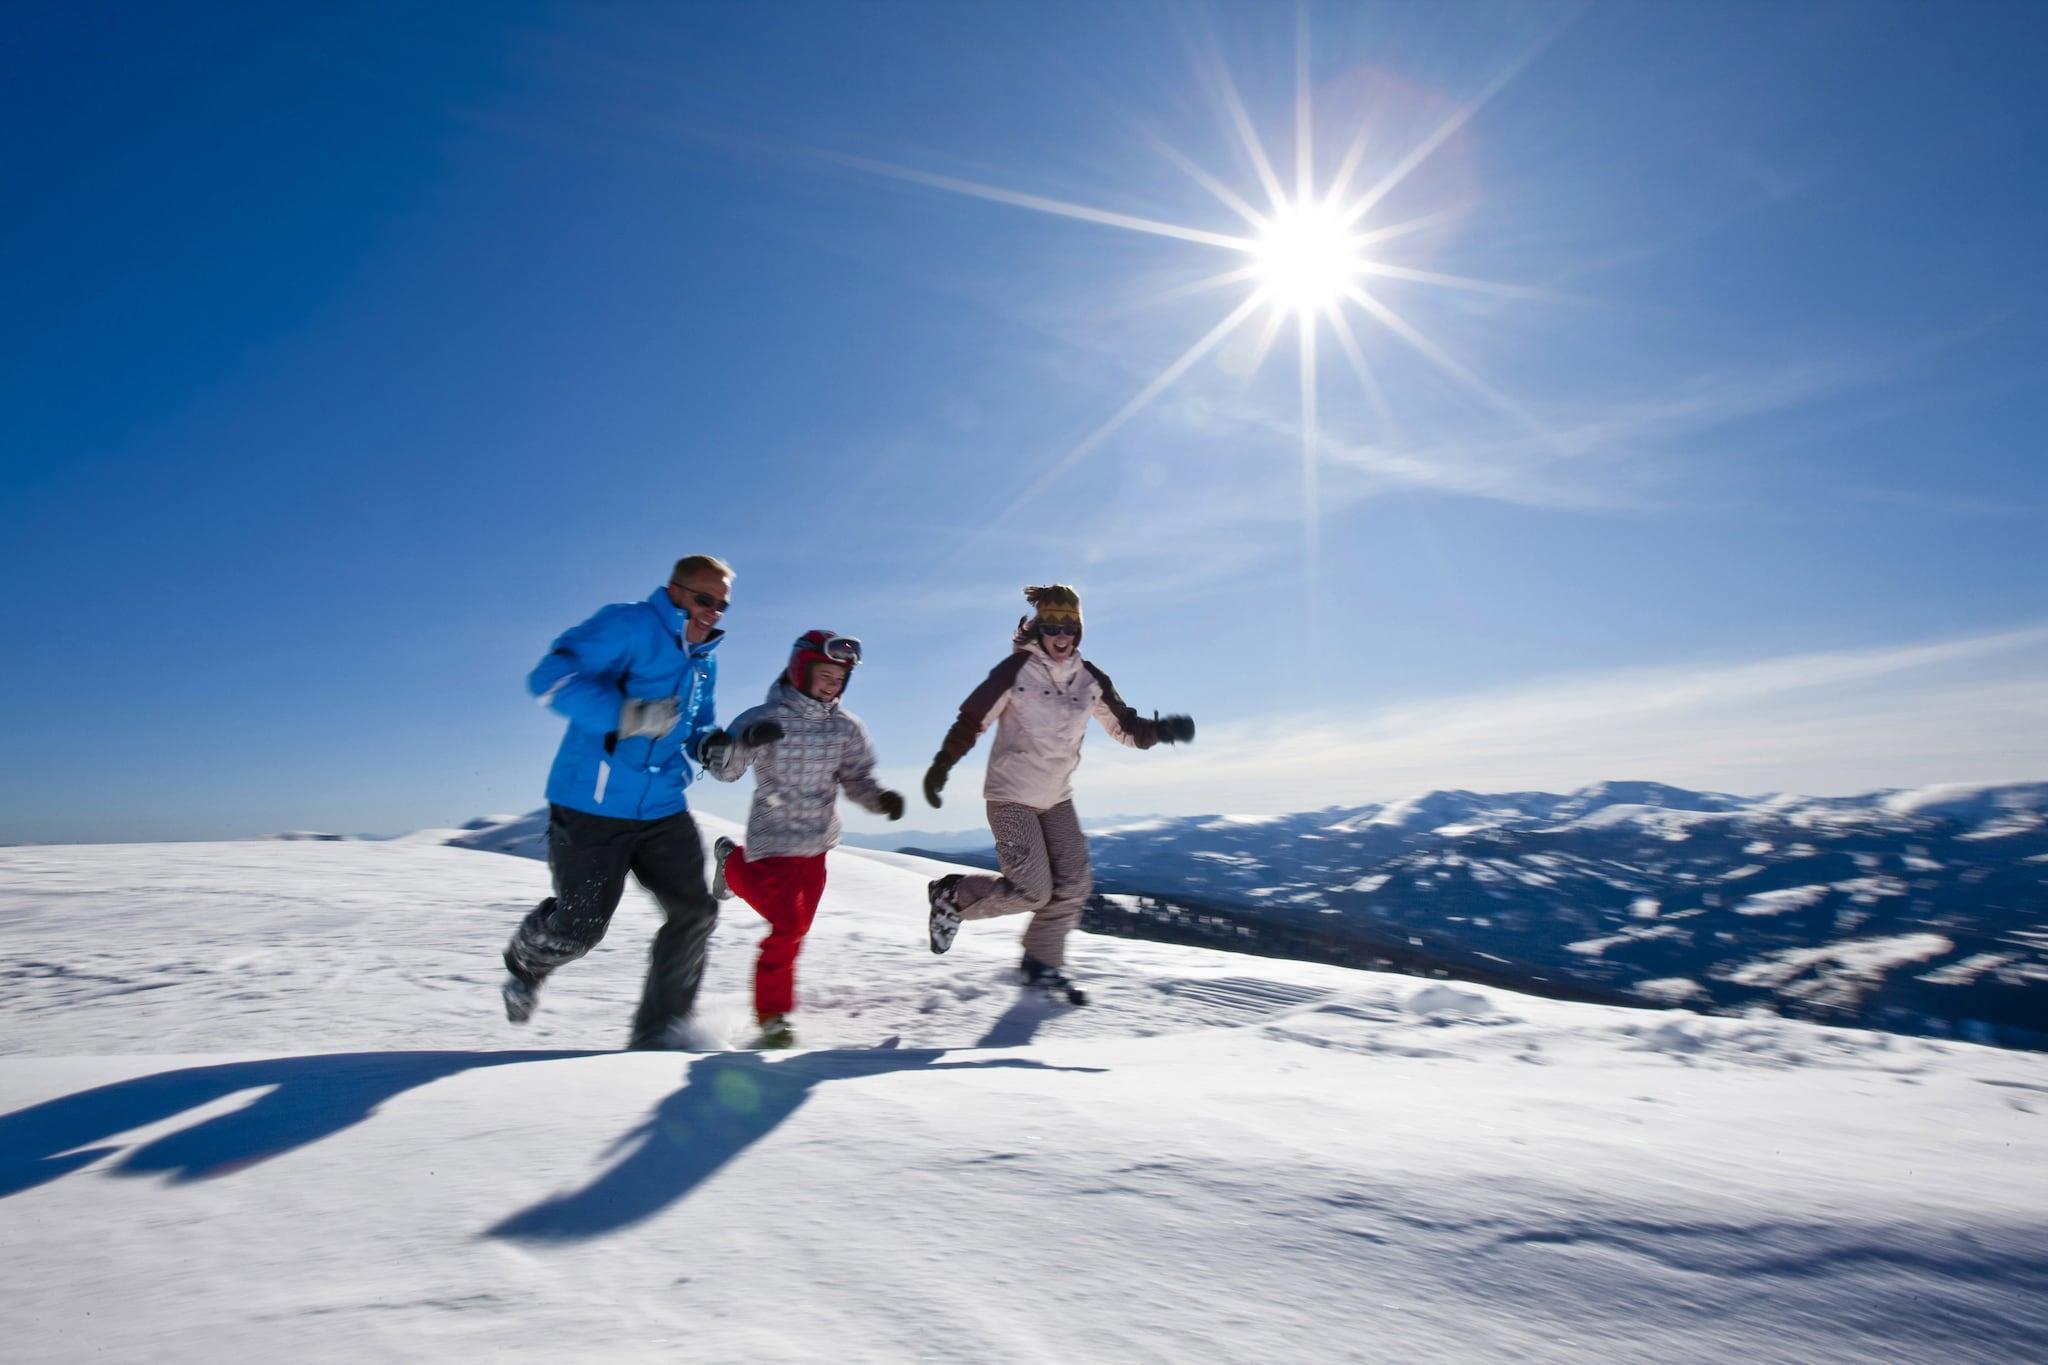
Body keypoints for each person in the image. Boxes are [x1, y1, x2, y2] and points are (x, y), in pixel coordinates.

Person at [501, 554, 750, 1050]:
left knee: (695, 912)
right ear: (675, 591)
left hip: (662, 807)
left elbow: (697, 725)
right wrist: (627, 715)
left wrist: (709, 745)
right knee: (581, 927)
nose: (713, 612)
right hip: (591, 805)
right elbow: (548, 678)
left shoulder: (705, 659)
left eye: (722, 605)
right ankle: (528, 961)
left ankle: (659, 1036)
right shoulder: (628, 625)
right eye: (705, 599)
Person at [921, 585, 1194, 1000]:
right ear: (1039, 629)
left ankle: (1040, 964)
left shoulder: (1090, 678)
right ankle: (952, 896)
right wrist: (943, 764)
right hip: (1011, 796)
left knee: (1075, 883)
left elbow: (1125, 727)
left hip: (1056, 797)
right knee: (1033, 891)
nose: (1061, 636)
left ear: (1079, 631)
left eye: (1070, 628)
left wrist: (1163, 730)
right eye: (1052, 627)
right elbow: (973, 719)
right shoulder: (1015, 671)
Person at [702, 631, 906, 1048]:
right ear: (801, 670)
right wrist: (741, 744)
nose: (832, 684)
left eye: (840, 678)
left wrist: (878, 798)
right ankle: (772, 1017)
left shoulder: (846, 727)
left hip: (817, 843)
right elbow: (725, 771)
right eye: (825, 674)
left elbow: (856, 777)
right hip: (773, 840)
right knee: (787, 927)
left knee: (797, 929)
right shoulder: (763, 717)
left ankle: (732, 864)